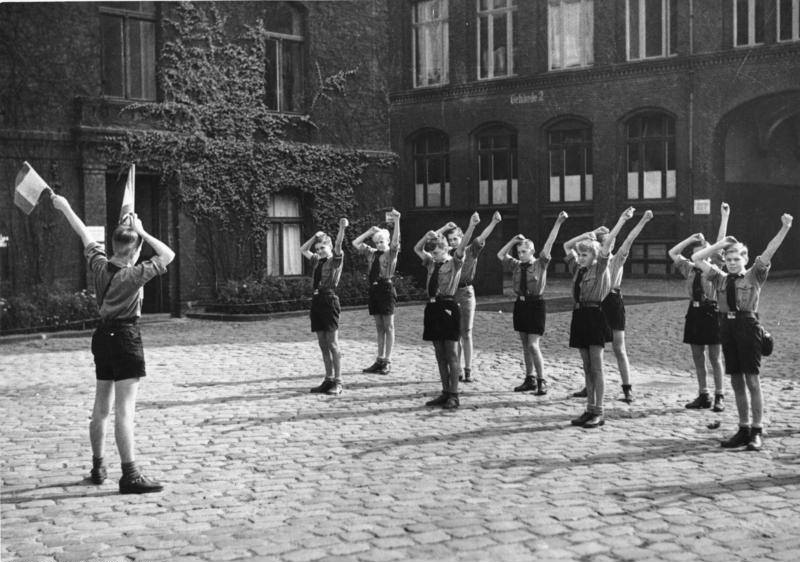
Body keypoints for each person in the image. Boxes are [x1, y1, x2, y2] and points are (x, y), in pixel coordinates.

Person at [51, 194, 174, 494]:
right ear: (133, 251)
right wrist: (142, 231)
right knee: (125, 411)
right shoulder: (133, 275)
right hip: (126, 338)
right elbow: (168, 255)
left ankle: (97, 467)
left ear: (114, 245)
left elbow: (83, 232)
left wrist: (65, 206)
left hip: (102, 338)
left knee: (101, 408)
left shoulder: (99, 266)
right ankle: (130, 475)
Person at [692, 213, 793, 451]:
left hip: (748, 326)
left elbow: (769, 251)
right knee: (736, 380)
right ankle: (743, 428)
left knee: (752, 380)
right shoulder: (719, 278)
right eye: (728, 259)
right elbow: (697, 258)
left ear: (746, 259)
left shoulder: (754, 275)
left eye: (737, 258)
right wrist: (720, 244)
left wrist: (785, 228)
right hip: (726, 328)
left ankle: (757, 430)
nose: (732, 262)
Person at [668, 202, 732, 412]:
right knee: (697, 355)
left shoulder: (713, 268)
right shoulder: (689, 269)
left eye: (703, 253)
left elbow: (721, 243)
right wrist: (690, 239)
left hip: (711, 311)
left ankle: (719, 395)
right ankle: (703, 394)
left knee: (715, 356)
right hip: (694, 312)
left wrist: (724, 218)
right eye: (696, 254)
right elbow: (673, 253)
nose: (698, 258)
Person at [497, 211, 567, 395]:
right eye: (519, 252)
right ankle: (530, 379)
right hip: (520, 305)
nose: (520, 255)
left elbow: (549, 243)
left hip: (536, 305)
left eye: (524, 252)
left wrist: (558, 222)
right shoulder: (516, 265)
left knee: (533, 345)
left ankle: (542, 380)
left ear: (532, 251)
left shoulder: (540, 264)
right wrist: (512, 241)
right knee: (524, 344)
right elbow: (500, 254)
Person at [563, 220, 618, 429]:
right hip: (580, 316)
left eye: (585, 255)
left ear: (594, 256)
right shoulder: (578, 269)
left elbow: (607, 246)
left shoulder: (600, 267)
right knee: (587, 366)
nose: (580, 258)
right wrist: (590, 232)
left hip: (595, 316)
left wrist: (621, 220)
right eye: (580, 254)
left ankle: (599, 411)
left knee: (597, 367)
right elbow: (567, 246)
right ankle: (589, 408)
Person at [599, 208, 653, 404]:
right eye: (602, 241)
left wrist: (643, 221)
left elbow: (629, 239)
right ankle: (591, 385)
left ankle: (627, 388)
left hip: (612, 302)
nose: (606, 244)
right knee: (595, 348)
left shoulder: (617, 259)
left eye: (609, 241)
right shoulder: (593, 262)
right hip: (597, 303)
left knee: (619, 348)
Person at [441, 211, 502, 383]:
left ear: (462, 237)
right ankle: (457, 368)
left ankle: (468, 369)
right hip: (451, 294)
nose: (453, 242)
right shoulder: (447, 254)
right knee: (454, 334)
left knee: (466, 332)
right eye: (450, 240)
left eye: (455, 239)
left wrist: (493, 222)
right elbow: (433, 242)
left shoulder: (470, 250)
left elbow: (481, 237)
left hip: (466, 292)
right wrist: (444, 228)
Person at [414, 229, 468, 409]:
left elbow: (462, 248)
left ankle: (454, 394)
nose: (434, 256)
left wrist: (471, 225)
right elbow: (417, 249)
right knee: (439, 353)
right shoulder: (431, 263)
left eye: (436, 252)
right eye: (433, 253)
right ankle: (445, 392)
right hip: (432, 307)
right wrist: (427, 236)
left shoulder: (454, 263)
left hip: (448, 306)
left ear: (445, 249)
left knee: (451, 353)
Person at [301, 218, 349, 396]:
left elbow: (338, 244)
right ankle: (328, 379)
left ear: (329, 247)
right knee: (322, 343)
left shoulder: (335, 260)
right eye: (318, 249)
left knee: (333, 344)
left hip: (329, 300)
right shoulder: (317, 260)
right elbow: (303, 249)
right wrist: (315, 237)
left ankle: (338, 381)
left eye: (323, 247)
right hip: (317, 301)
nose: (320, 251)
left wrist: (341, 228)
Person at [352, 209, 401, 375]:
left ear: (387, 241)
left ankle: (387, 360)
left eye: (382, 241)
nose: (380, 244)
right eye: (377, 242)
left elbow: (396, 241)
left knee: (389, 326)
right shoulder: (371, 253)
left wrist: (397, 221)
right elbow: (355, 243)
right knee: (379, 327)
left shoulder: (391, 253)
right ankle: (379, 359)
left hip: (386, 288)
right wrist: (369, 232)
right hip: (374, 290)